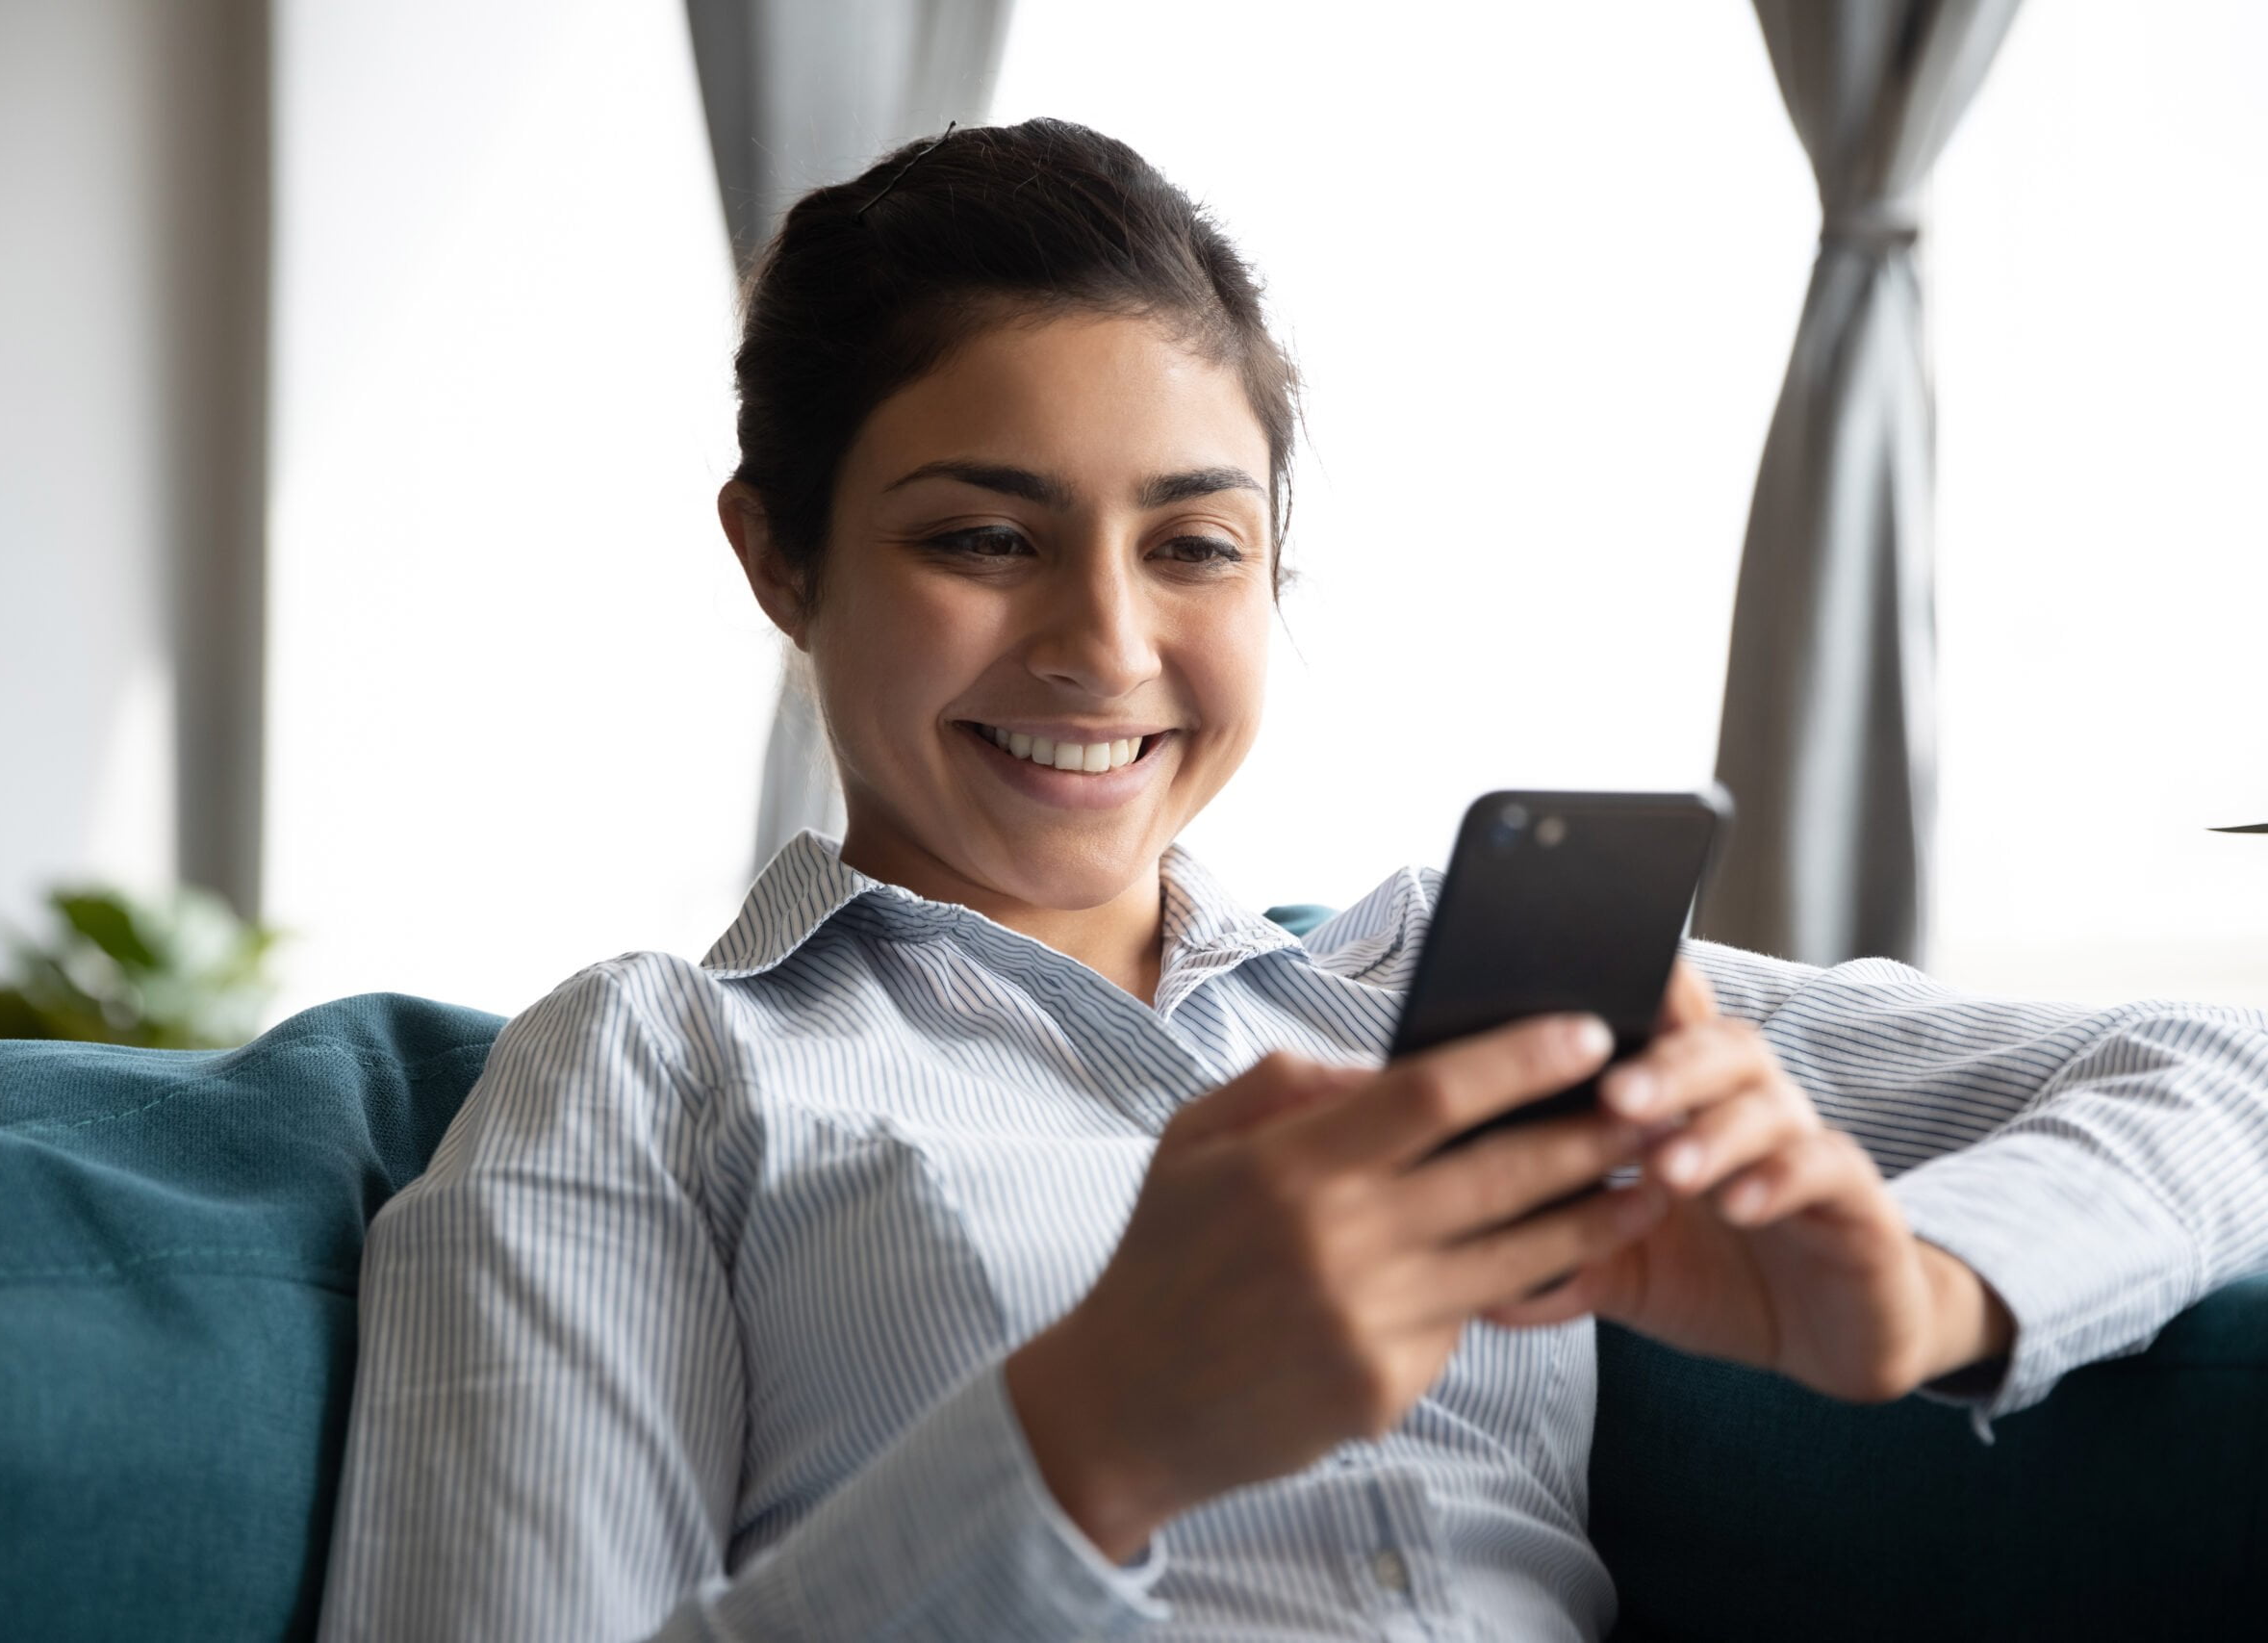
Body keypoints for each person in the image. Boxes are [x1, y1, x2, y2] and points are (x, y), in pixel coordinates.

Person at [315, 120, 2268, 1642]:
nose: (1101, 642)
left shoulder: (1454, 992)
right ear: (779, 557)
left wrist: (1924, 1296)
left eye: (1190, 546)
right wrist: (1089, 1436)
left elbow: (2216, 1072)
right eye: (984, 538)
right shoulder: (651, 1070)